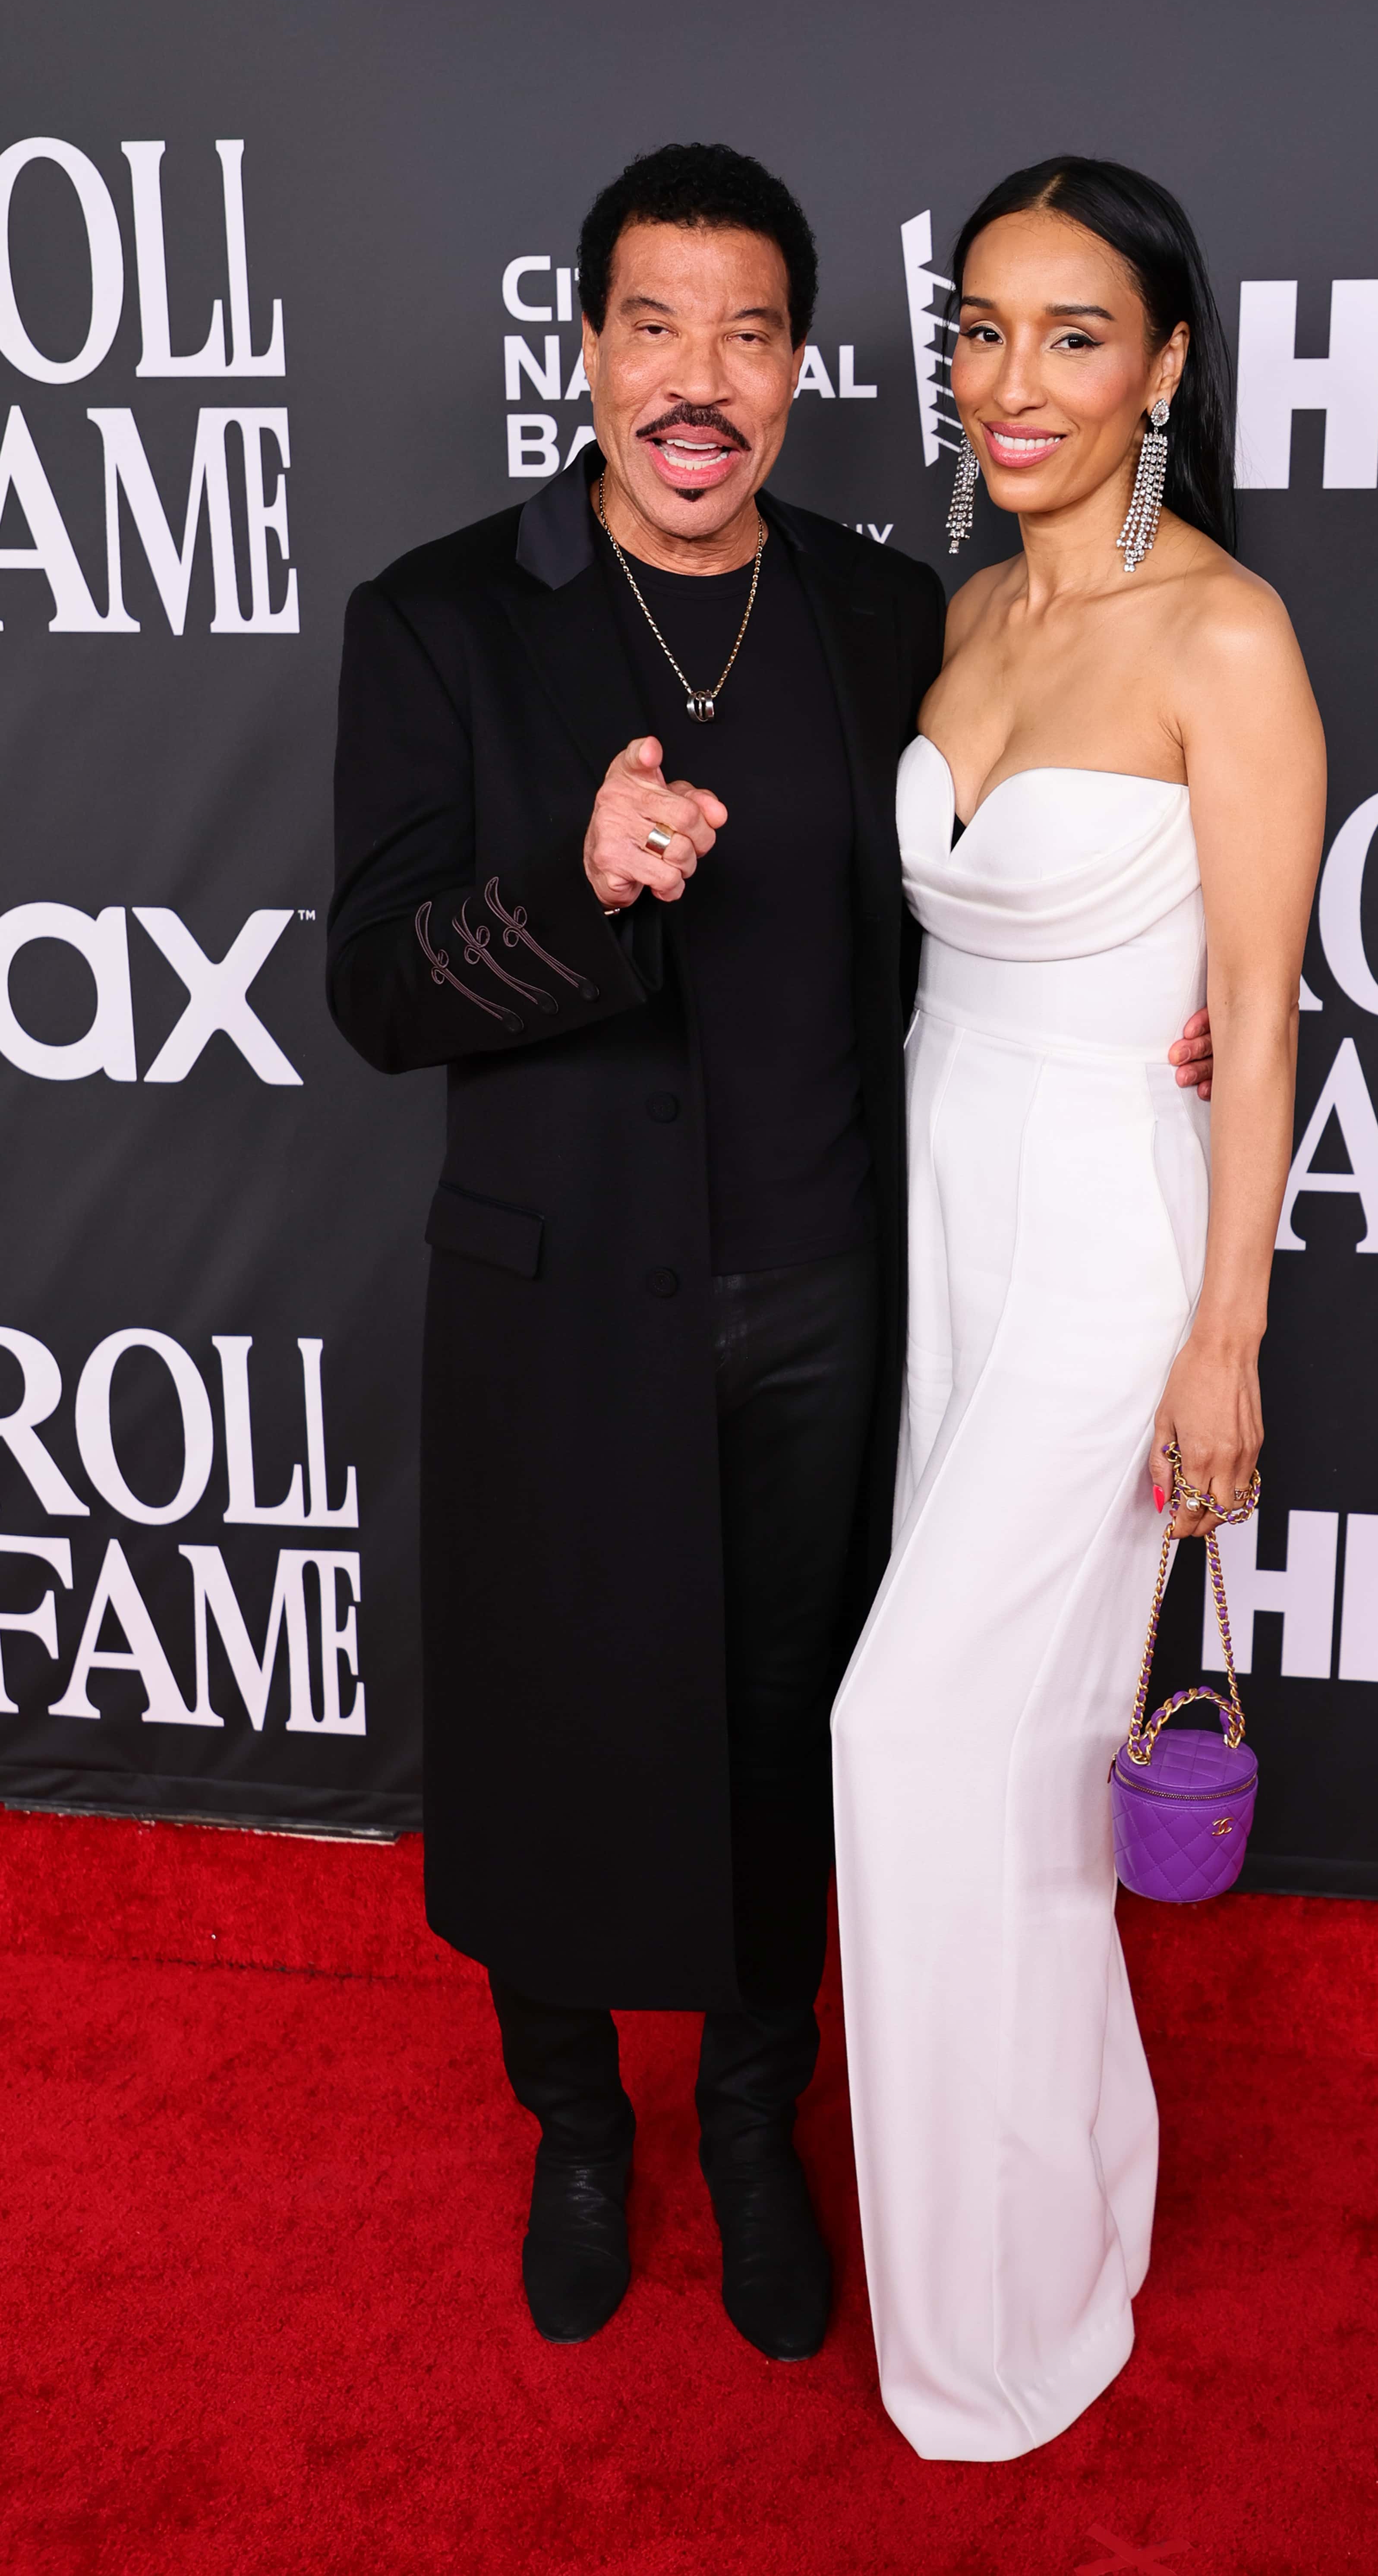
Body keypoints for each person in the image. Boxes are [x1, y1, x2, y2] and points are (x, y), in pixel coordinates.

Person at [330, 136, 1220, 2364]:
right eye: (655, 325)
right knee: (551, 1730)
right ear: (588, 350)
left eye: (747, 333)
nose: (698, 380)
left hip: (833, 1299)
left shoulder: (875, 608)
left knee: (781, 1738)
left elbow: (1012, 853)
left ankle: (750, 2122)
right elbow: (374, 992)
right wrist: (575, 883)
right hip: (556, 1301)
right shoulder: (442, 617)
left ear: (800, 366)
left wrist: (1169, 1000)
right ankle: (576, 2127)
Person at [831, 157, 1324, 2459]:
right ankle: (1064, 2214)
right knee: (1008, 1773)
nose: (1013, 380)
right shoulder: (966, 612)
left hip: (1112, 1249)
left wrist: (1226, 1336)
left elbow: (1260, 1010)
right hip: (943, 1209)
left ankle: (1007, 2312)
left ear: (1168, 364)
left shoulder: (1228, 634)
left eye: (1075, 332)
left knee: (908, 1742)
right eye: (982, 328)